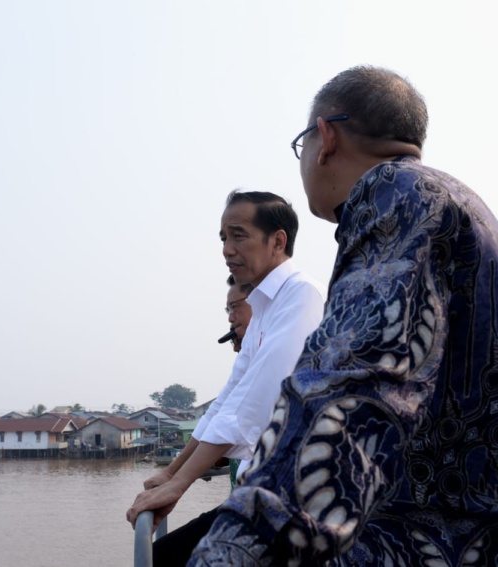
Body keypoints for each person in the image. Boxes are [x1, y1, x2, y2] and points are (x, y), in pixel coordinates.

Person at [190, 66, 498, 565]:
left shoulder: (397, 195)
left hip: (428, 539)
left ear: (324, 137)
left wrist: (237, 547)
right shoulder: (461, 201)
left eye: (301, 145)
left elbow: (347, 389)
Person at [126, 191, 326, 566]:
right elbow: (227, 401)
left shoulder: (301, 296)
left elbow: (256, 402)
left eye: (238, 236)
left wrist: (180, 485)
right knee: (164, 556)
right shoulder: (265, 309)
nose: (226, 249)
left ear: (278, 241)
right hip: (257, 494)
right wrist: (171, 473)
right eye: (223, 238)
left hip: (289, 499)